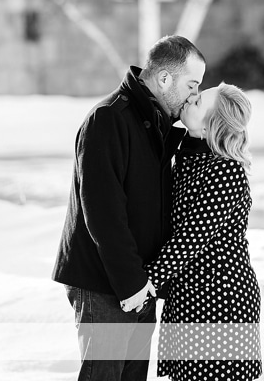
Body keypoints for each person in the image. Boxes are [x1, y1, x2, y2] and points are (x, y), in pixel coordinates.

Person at [52, 35, 206, 381]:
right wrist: (133, 284)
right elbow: (103, 214)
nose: (194, 95)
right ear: (165, 79)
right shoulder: (109, 119)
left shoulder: (155, 122)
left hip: (137, 282)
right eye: (192, 84)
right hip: (105, 281)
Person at [145, 83, 262, 381]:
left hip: (219, 302)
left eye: (197, 103)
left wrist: (144, 282)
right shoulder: (191, 158)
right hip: (189, 296)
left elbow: (189, 239)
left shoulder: (225, 171)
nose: (190, 99)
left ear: (211, 128)